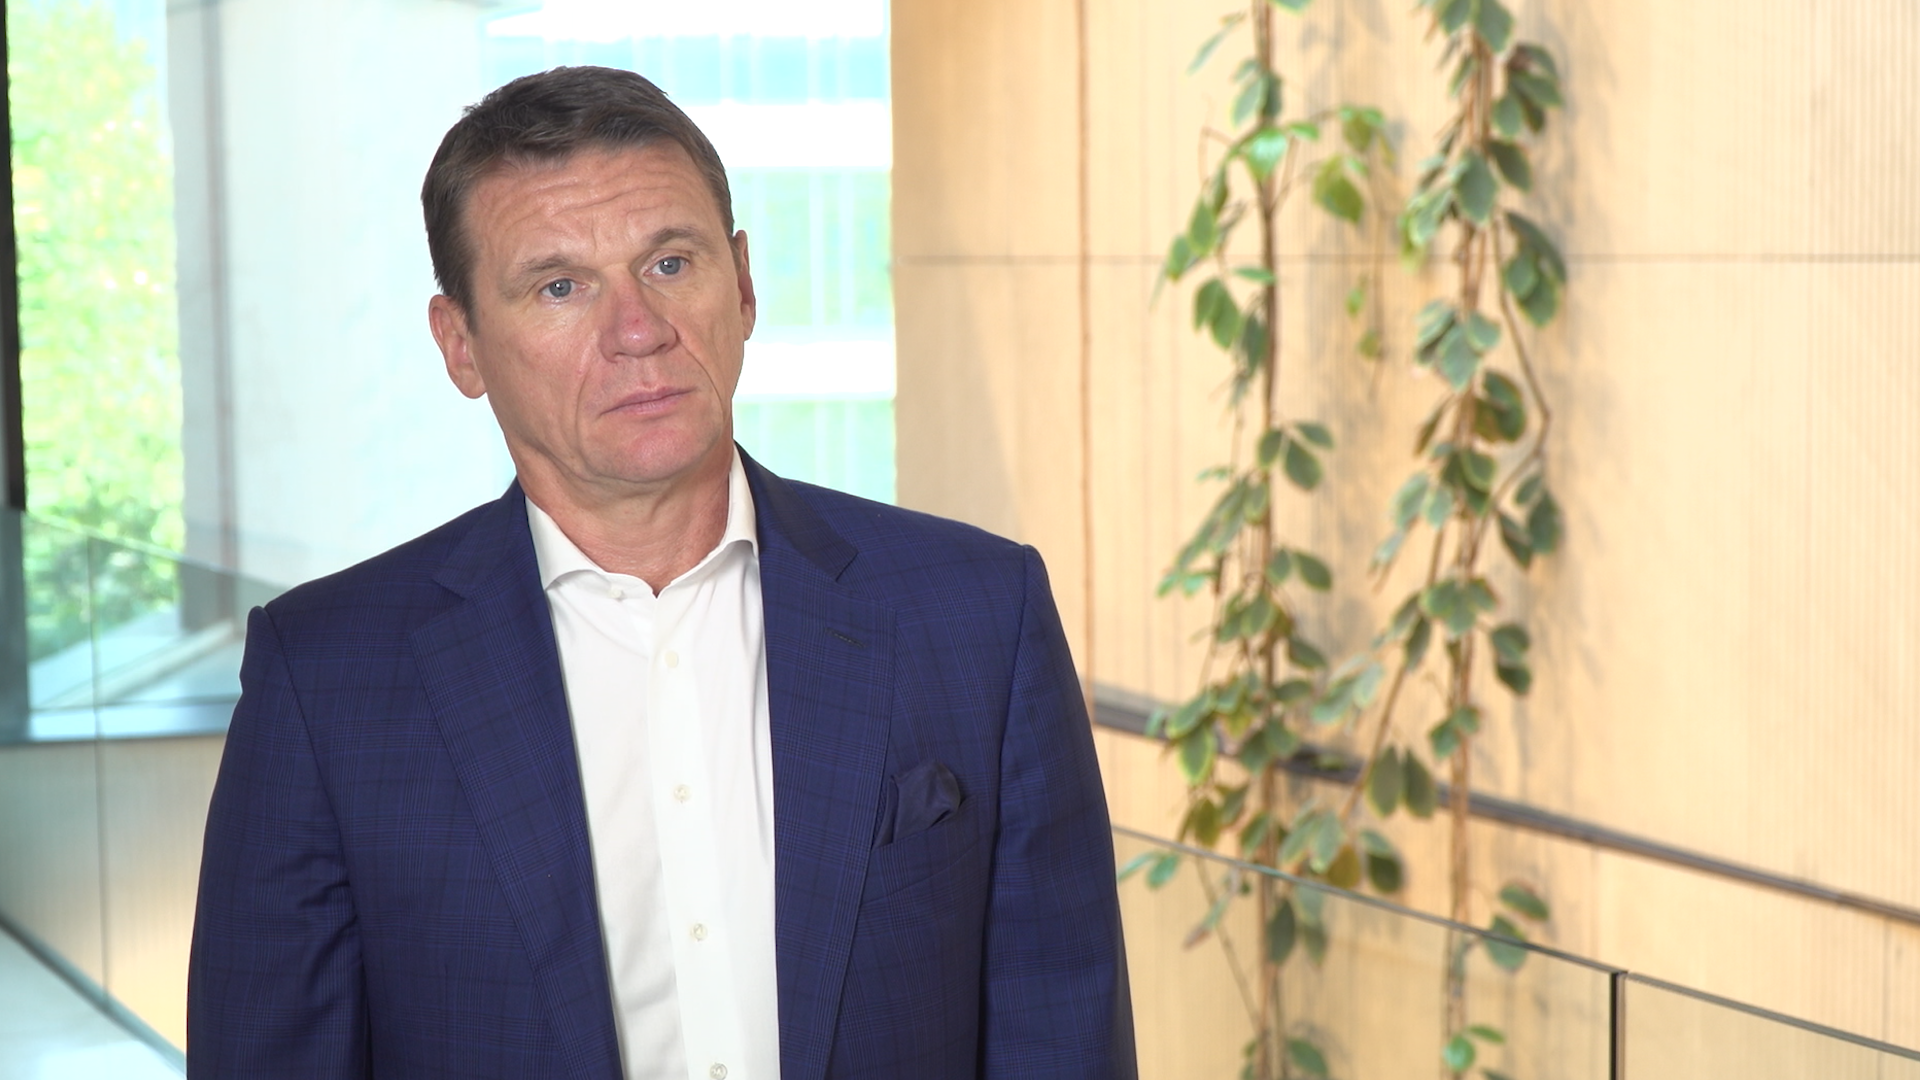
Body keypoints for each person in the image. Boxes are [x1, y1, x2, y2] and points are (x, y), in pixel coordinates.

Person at [186, 65, 1135, 1080]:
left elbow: (1064, 1035)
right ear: (461, 346)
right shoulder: (326, 681)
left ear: (744, 283)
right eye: (560, 287)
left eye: (670, 263)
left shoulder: (978, 614)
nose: (638, 330)